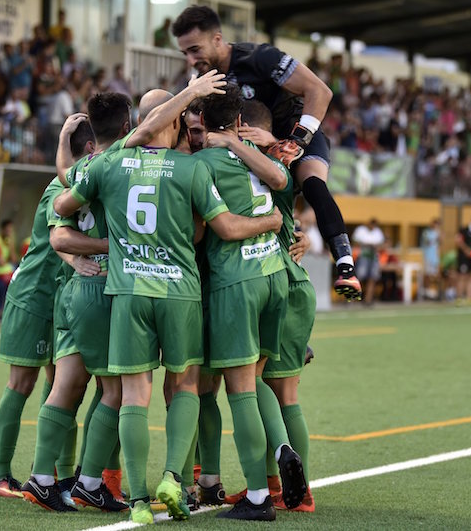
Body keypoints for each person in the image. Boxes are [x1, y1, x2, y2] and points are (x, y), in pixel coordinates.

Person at [54, 73, 285, 524]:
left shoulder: (112, 162)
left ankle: (138, 500)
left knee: (133, 395)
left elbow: (64, 207)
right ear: (176, 121)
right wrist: (273, 222)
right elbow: (213, 228)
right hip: (180, 291)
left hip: (129, 291)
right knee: (185, 386)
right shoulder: (193, 168)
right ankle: (173, 478)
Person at [172, 5, 362, 301]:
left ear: (218, 39)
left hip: (295, 134)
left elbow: (319, 91)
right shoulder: (203, 80)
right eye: (185, 53)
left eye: (195, 49)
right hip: (250, 146)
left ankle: (345, 264)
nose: (191, 59)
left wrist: (294, 141)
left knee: (312, 184)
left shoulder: (259, 57)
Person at [194, 85, 307, 521]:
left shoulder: (200, 162)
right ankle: (281, 448)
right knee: (256, 378)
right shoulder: (255, 154)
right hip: (274, 275)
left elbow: (214, 229)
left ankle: (258, 497)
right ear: (240, 122)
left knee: (238, 389)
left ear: (203, 125)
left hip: (235, 280)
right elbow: (281, 180)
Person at [0, 117, 107, 501]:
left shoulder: (85, 183)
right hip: (34, 294)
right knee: (21, 384)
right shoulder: (63, 185)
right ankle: (0, 474)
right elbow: (59, 241)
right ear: (91, 150)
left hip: (63, 296)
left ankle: (61, 475)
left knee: (63, 386)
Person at [21, 101, 132, 513]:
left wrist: (60, 150)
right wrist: (111, 246)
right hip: (98, 290)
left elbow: (61, 232)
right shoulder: (117, 169)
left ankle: (43, 478)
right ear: (124, 126)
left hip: (72, 291)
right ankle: (88, 481)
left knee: (66, 386)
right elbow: (60, 241)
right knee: (116, 390)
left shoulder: (72, 176)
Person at [240, 99, 317, 512]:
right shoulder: (273, 158)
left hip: (276, 281)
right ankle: (288, 489)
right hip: (289, 282)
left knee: (264, 388)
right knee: (274, 390)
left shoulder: (262, 156)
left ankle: (294, 491)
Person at [352, 218, 384, 305]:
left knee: (372, 278)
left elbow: (381, 244)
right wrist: (366, 244)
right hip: (363, 256)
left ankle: (368, 299)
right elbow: (355, 242)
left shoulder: (378, 232)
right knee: (359, 277)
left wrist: (376, 246)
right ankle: (354, 298)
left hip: (373, 257)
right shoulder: (361, 230)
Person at [420, 219, 441, 300]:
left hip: (435, 257)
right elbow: (427, 242)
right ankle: (426, 291)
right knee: (428, 275)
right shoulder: (426, 232)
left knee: (437, 275)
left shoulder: (438, 232)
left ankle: (436, 291)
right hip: (428, 256)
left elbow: (440, 243)